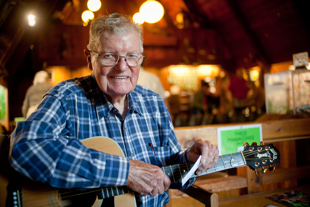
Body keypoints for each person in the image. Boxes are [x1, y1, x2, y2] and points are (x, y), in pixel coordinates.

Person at [9, 13, 218, 207]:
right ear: (89, 58)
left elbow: (168, 170)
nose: (122, 67)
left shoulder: (154, 103)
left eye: (132, 56)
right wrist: (124, 172)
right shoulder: (66, 97)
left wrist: (189, 161)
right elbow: (25, 147)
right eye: (109, 56)